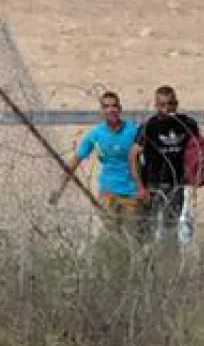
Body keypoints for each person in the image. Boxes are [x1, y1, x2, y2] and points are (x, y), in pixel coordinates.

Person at [49, 91, 142, 237]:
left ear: (120, 108)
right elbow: (76, 160)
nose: (111, 109)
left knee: (133, 237)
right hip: (107, 193)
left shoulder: (134, 131)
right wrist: (59, 188)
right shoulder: (96, 134)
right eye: (106, 106)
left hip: (131, 193)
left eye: (114, 106)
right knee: (113, 237)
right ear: (102, 111)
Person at [130, 85, 200, 246]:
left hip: (176, 185)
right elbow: (133, 156)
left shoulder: (188, 124)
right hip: (152, 185)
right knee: (145, 229)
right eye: (162, 105)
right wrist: (140, 187)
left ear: (176, 103)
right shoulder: (149, 127)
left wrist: (195, 175)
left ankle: (168, 261)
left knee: (172, 228)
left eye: (170, 104)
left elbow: (197, 149)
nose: (167, 108)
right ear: (156, 106)